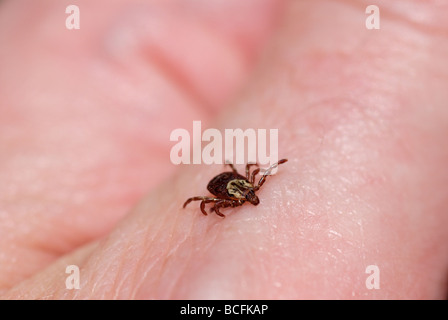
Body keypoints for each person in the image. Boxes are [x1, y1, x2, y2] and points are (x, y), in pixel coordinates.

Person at [0, 0, 447, 299]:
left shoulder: (241, 188)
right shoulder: (226, 195)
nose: (250, 197)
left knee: (227, 179)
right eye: (249, 195)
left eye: (249, 194)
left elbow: (232, 184)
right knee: (206, 194)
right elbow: (207, 200)